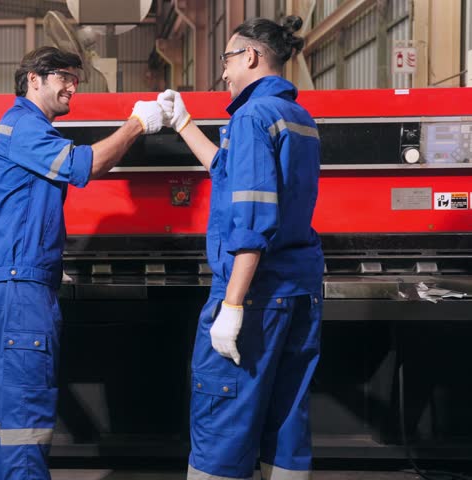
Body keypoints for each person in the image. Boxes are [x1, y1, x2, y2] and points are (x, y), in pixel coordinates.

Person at [0, 46, 164, 480]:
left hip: (17, 281)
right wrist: (139, 122)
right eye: (63, 76)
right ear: (33, 80)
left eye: (76, 78)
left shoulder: (23, 128)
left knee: (9, 420)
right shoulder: (25, 127)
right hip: (21, 288)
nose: (72, 86)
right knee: (26, 415)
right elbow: (88, 164)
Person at [157, 16, 324, 480]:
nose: (225, 73)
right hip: (298, 291)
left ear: (251, 56)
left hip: (255, 295)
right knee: (286, 418)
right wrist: (183, 122)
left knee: (223, 416)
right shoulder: (297, 117)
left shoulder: (251, 117)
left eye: (228, 61)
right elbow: (230, 171)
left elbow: (252, 222)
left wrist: (232, 304)